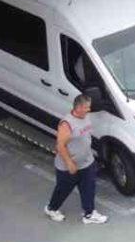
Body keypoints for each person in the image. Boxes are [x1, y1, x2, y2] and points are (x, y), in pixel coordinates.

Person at [44, 93, 108, 225]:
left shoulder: (85, 117)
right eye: (87, 107)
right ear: (78, 107)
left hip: (86, 162)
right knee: (63, 189)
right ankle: (52, 208)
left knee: (88, 187)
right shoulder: (67, 124)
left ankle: (89, 214)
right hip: (68, 166)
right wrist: (69, 163)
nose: (89, 110)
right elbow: (60, 146)